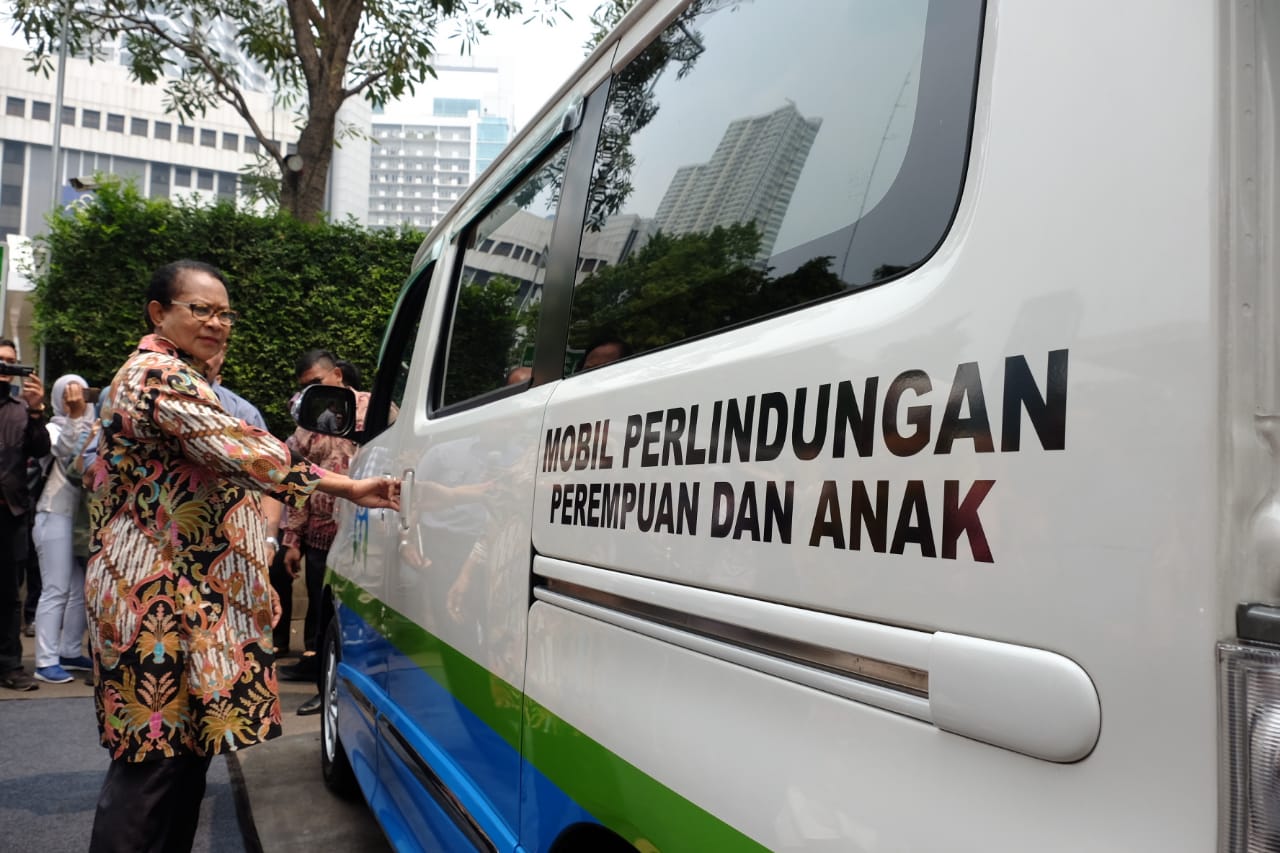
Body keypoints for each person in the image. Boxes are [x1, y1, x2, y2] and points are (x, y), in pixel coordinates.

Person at [83, 260, 398, 853]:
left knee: (185, 756)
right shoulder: (155, 374)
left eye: (224, 313)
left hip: (189, 599)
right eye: (200, 309)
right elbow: (246, 452)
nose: (216, 323)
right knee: (153, 762)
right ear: (159, 314)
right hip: (154, 602)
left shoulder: (181, 377)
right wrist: (350, 487)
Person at [279, 349, 371, 717]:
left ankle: (361, 692)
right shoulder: (309, 421)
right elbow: (295, 478)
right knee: (323, 618)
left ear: (337, 375)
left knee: (363, 617)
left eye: (316, 382)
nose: (310, 391)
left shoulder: (374, 409)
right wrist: (292, 540)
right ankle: (326, 690)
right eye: (304, 387)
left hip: (365, 533)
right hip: (320, 538)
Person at [31, 373, 96, 684]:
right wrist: (75, 417)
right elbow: (68, 454)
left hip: (80, 520)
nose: (76, 398)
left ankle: (69, 650)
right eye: (69, 394)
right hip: (53, 513)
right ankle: (45, 661)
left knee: (80, 590)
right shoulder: (53, 429)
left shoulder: (92, 425)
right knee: (55, 589)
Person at [0, 338, 48, 692]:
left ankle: (10, 666)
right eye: (0, 362)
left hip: (10, 513)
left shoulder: (21, 409)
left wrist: (36, 411)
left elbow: (41, 448)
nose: (5, 369)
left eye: (10, 362)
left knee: (8, 594)